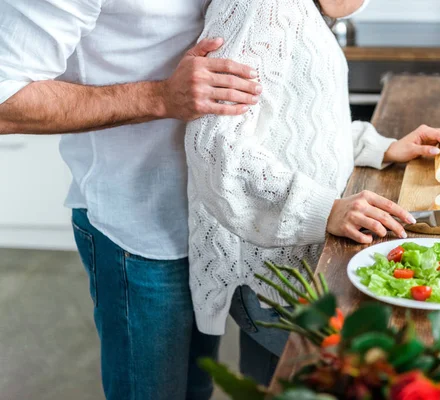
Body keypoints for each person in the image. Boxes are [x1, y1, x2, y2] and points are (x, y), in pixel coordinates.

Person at [185, 0, 440, 388]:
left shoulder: (298, 10)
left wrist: (382, 147)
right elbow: (216, 147)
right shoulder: (263, 5)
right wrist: (324, 211)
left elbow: (300, 126)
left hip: (301, 272)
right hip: (277, 282)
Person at [0, 1, 264, 399]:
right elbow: (5, 99)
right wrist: (160, 97)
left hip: (216, 217)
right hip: (139, 228)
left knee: (195, 389)